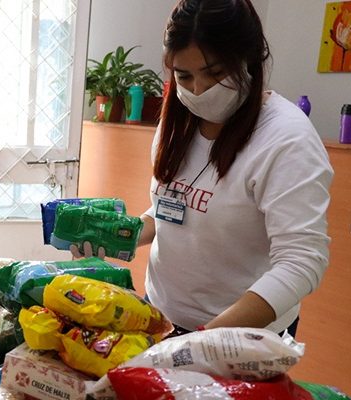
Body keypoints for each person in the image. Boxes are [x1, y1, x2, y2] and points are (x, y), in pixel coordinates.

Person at [73, 0, 333, 337]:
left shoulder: (286, 139)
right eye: (184, 76)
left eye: (215, 73)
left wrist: (205, 338)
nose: (198, 90)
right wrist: (118, 236)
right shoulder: (177, 123)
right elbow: (170, 210)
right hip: (161, 313)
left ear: (248, 60)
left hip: (239, 335)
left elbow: (302, 261)